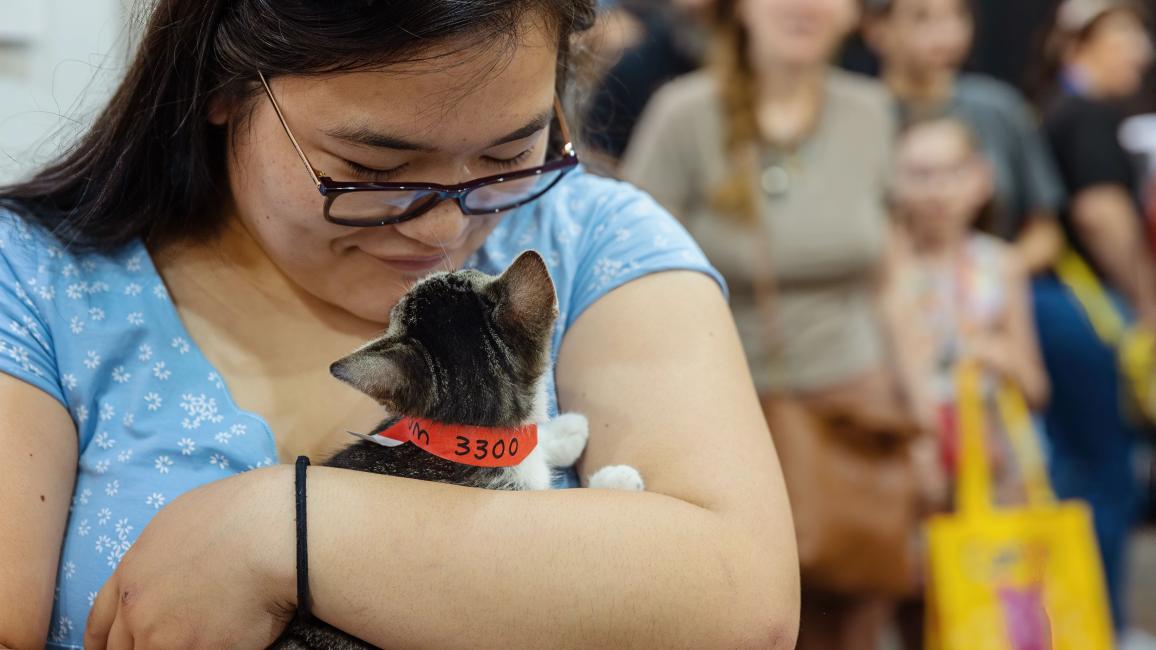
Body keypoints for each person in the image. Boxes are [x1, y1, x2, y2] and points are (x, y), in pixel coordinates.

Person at [0, 1, 801, 647]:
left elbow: (741, 595)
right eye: (372, 172)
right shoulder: (36, 280)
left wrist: (283, 531)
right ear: (223, 83)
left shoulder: (595, 242)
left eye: (508, 155)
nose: (443, 232)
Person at [623, 1, 908, 648]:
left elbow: (889, 274)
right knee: (745, 615)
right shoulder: (686, 113)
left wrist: (919, 398)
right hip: (723, 413)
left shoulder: (871, 111)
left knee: (859, 603)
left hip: (854, 408)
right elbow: (630, 267)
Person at [884, 118, 1050, 648]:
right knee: (915, 603)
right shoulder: (884, 269)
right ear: (894, 182)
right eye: (919, 174)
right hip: (910, 461)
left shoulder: (1001, 265)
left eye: (951, 173)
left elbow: (1037, 387)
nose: (936, 190)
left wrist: (1001, 357)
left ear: (982, 179)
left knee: (990, 604)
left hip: (994, 465)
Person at [1036, 0, 1155, 636]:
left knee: (1094, 472)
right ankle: (1100, 626)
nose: (1140, 50)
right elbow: (1100, 215)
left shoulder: (1078, 109)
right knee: (1103, 477)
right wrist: (1146, 302)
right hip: (1085, 313)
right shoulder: (1083, 113)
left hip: (1076, 312)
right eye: (1126, 35)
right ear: (1081, 43)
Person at [863, 0, 1067, 275]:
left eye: (957, 15)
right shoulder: (861, 116)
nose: (946, 34)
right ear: (877, 29)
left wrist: (990, 279)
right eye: (922, 18)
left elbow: (1045, 232)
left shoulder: (998, 109)